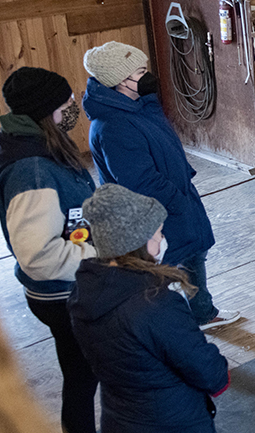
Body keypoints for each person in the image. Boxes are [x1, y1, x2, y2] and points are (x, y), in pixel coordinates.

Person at [69, 183, 229, 433]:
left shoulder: (85, 293)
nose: (163, 240)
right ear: (136, 241)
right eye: (157, 234)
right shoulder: (155, 304)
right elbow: (206, 369)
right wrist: (220, 371)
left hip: (123, 429)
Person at [81, 41, 239, 330]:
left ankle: (202, 313)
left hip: (176, 198)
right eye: (140, 71)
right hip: (155, 212)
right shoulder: (114, 126)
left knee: (193, 253)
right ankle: (174, 329)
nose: (148, 76)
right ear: (120, 81)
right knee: (164, 270)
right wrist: (178, 202)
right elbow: (141, 181)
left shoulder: (139, 106)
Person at [0, 67, 101, 433]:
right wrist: (102, 252)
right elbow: (37, 255)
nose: (73, 108)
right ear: (46, 111)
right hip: (61, 294)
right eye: (66, 104)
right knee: (80, 376)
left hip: (69, 287)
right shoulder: (32, 171)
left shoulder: (40, 146)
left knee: (81, 372)